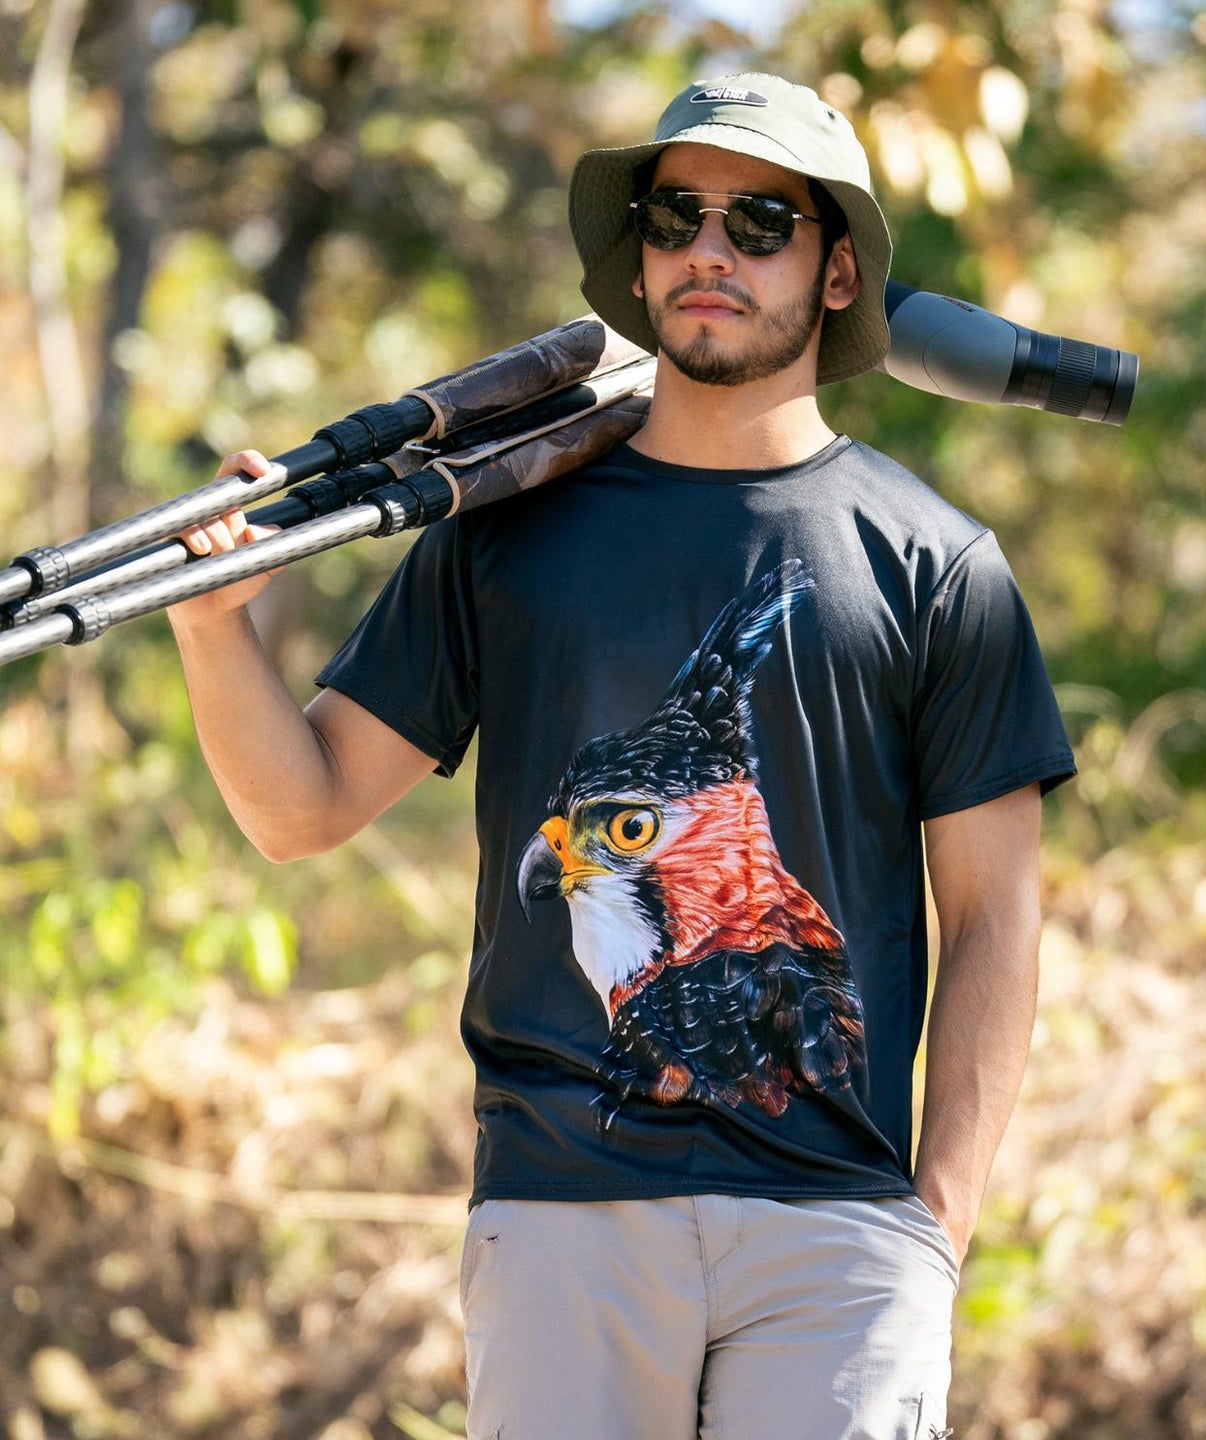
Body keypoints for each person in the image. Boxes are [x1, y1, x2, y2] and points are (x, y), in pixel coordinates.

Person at [168, 72, 1075, 1440]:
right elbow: (299, 811)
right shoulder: (500, 530)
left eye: (760, 220)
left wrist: (934, 1223)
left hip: (839, 1238)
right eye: (675, 215)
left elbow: (997, 916)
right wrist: (210, 630)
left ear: (837, 273)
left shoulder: (936, 567)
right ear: (639, 255)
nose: (708, 250)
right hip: (560, 1221)